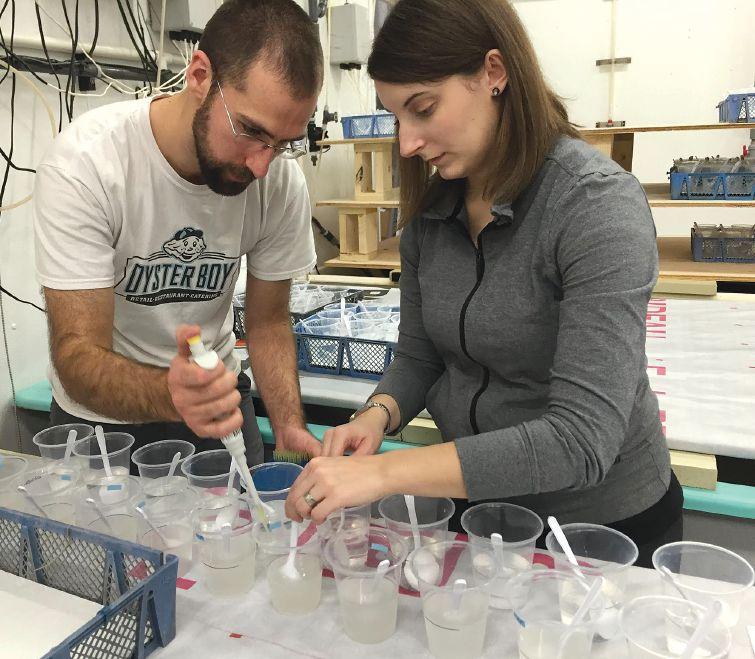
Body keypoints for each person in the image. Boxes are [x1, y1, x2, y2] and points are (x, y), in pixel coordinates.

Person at [285, 0, 682, 567]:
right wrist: (377, 414)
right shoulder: (433, 213)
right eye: (396, 118)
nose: (407, 143)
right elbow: (421, 355)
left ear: (493, 73)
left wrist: (383, 473)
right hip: (483, 516)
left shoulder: (594, 205)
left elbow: (580, 439)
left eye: (423, 109)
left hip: (600, 531)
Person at [33, 0, 323, 468]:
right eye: (250, 130)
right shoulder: (88, 165)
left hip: (219, 407)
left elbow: (268, 322)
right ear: (200, 75)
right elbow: (77, 356)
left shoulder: (278, 180)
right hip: (102, 425)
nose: (261, 165)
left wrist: (289, 425)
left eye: (282, 143)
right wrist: (172, 395)